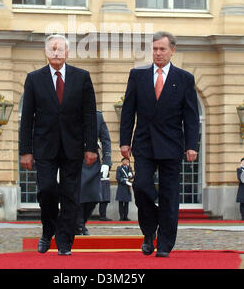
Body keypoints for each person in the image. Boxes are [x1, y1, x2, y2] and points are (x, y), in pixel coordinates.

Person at [120, 31, 199, 257]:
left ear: (172, 50)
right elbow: (128, 111)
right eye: (154, 49)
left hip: (171, 145)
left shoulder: (184, 79)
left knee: (169, 195)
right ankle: (149, 230)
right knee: (141, 187)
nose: (157, 53)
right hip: (143, 144)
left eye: (162, 49)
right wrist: (124, 141)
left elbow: (191, 116)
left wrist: (191, 145)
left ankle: (164, 244)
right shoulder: (137, 76)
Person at [19, 34, 98, 255]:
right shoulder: (34, 79)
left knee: (70, 195)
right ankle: (48, 230)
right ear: (46, 52)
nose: (56, 52)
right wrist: (25, 151)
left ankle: (65, 241)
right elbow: (27, 117)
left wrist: (91, 146)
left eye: (60, 49)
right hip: (44, 146)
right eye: (52, 48)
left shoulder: (82, 77)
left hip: (73, 146)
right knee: (46, 190)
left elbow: (89, 115)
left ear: (67, 53)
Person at [76, 110, 112, 234]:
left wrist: (107, 161)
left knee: (94, 196)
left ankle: (82, 221)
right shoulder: (69, 113)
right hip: (74, 160)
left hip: (92, 160)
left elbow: (105, 139)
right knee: (78, 195)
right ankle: (79, 224)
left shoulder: (97, 116)